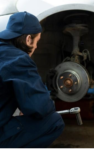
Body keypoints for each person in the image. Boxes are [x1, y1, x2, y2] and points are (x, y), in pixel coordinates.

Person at [0, 11, 64, 148]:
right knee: (54, 122)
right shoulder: (18, 59)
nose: (36, 47)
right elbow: (40, 108)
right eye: (37, 42)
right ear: (28, 39)